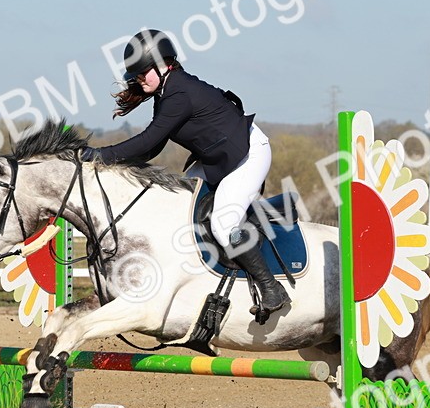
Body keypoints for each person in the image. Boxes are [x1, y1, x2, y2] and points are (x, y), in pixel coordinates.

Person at [84, 29, 291, 319]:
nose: (139, 78)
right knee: (177, 205)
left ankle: (272, 290)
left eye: (143, 72)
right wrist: (110, 162)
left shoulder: (178, 92)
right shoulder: (167, 92)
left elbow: (146, 141)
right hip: (219, 157)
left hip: (247, 153)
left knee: (222, 223)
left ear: (165, 64)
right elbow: (151, 150)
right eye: (137, 74)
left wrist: (99, 155)